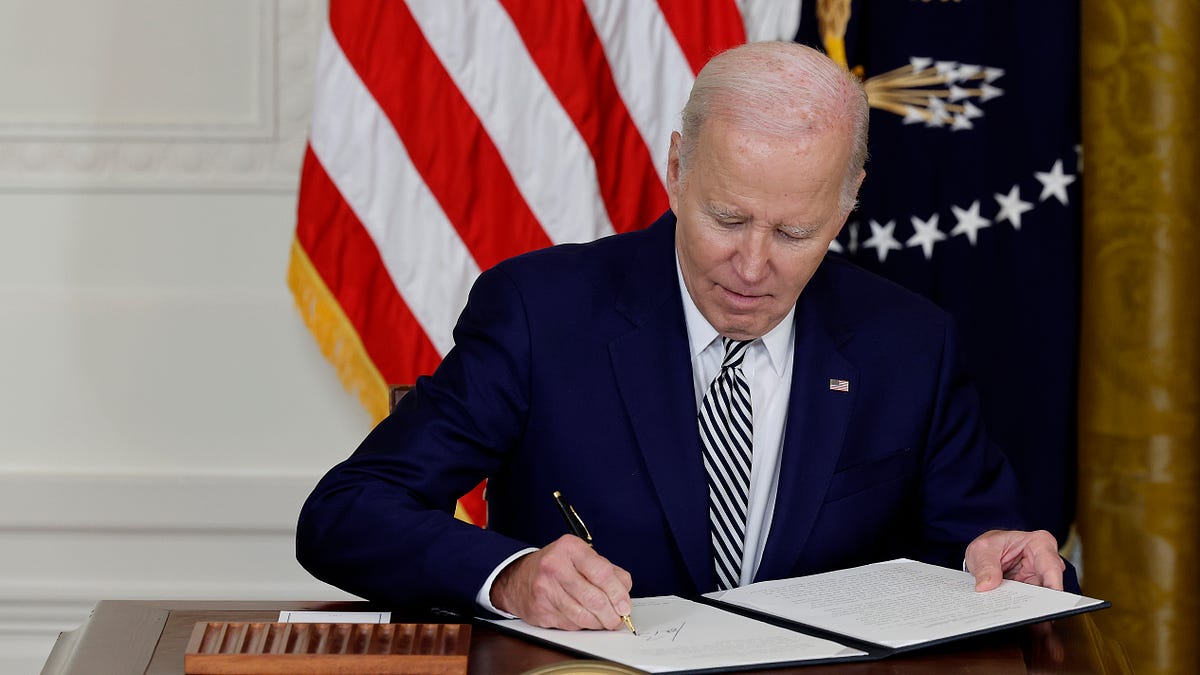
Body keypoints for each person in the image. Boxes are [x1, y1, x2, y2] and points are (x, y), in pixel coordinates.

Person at [296, 41, 1071, 632]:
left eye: (795, 232)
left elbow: (981, 546)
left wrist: (998, 558)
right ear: (676, 168)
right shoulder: (540, 313)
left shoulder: (910, 344)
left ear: (847, 204)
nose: (753, 265)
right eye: (726, 218)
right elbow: (345, 513)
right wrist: (511, 575)